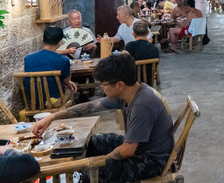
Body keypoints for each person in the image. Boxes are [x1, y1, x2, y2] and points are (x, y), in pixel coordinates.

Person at [33, 53, 174, 182]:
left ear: (119, 85)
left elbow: (127, 150)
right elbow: (89, 107)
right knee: (92, 143)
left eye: (103, 85)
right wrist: (52, 117)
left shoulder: (142, 105)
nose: (101, 88)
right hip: (140, 148)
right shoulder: (129, 92)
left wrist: (96, 163)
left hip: (151, 161)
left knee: (91, 173)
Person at [25, 27, 78, 99]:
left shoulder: (28, 59)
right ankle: (68, 110)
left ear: (43, 39)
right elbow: (66, 81)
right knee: (70, 89)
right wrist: (69, 83)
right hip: (54, 100)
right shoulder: (63, 60)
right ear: (60, 42)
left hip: (33, 101)